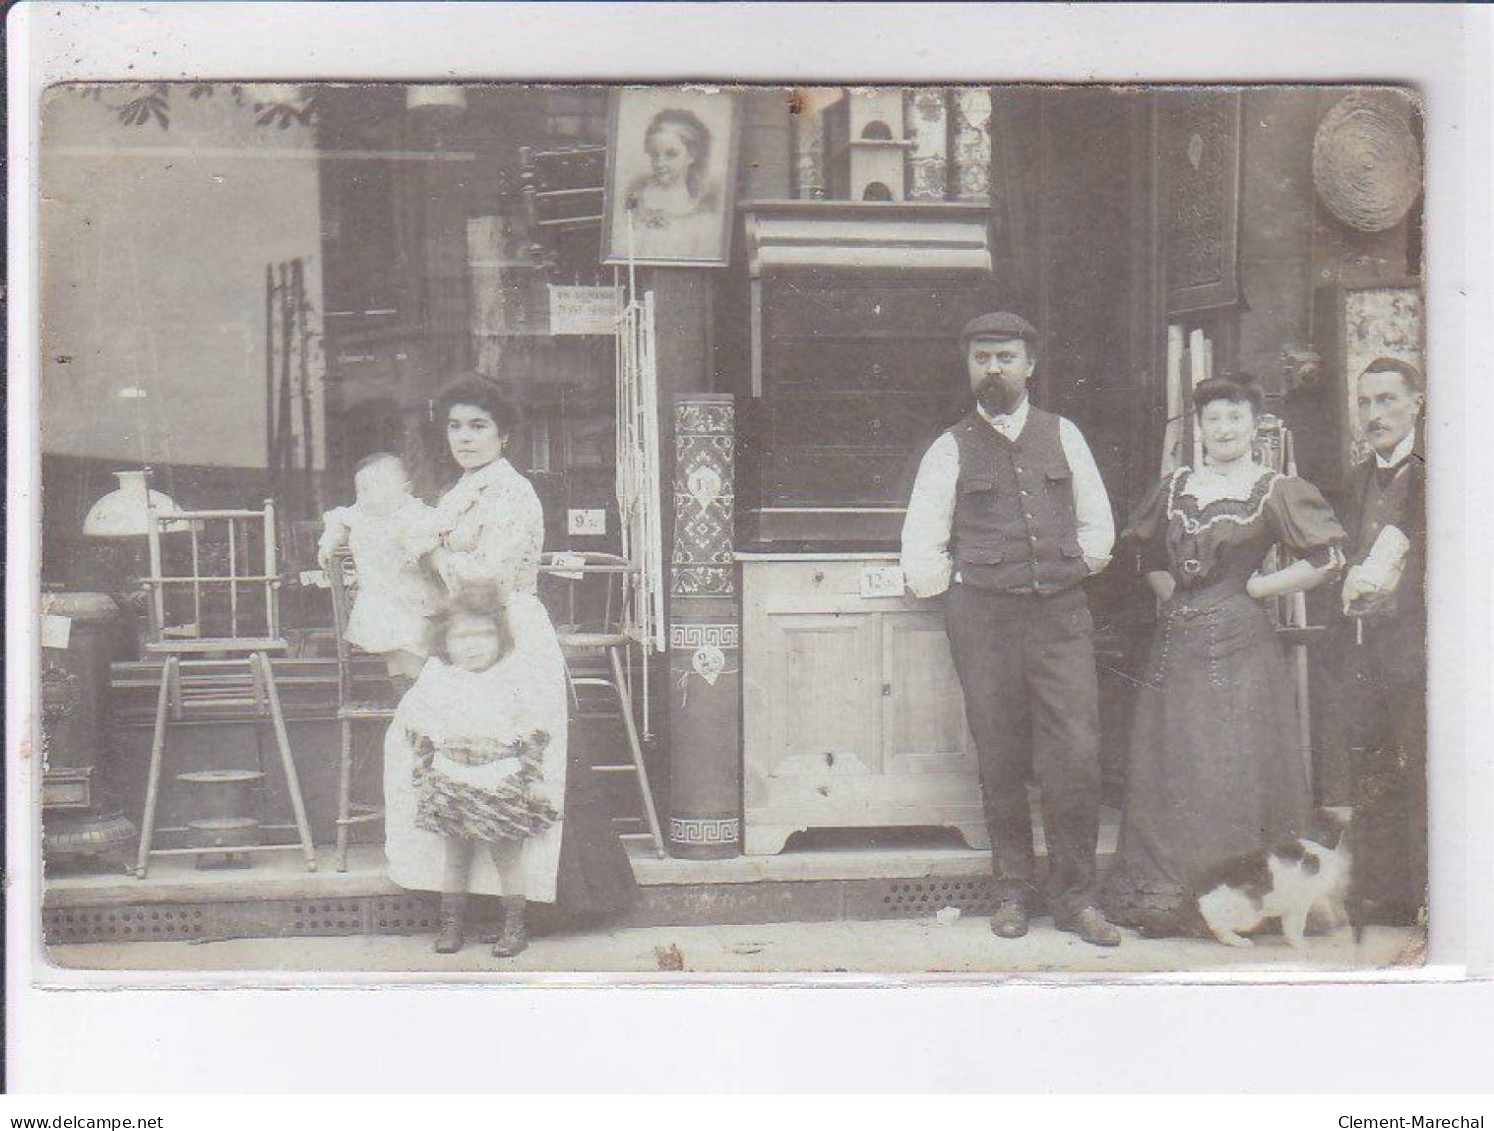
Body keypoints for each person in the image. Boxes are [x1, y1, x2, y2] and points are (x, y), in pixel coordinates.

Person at [382, 375, 636, 957]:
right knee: (438, 749)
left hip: (506, 631)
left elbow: (484, 580)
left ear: (505, 434)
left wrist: (431, 548)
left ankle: (534, 904)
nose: (464, 437)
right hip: (467, 634)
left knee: (513, 756)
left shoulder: (510, 492)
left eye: (478, 427)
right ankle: (458, 899)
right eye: (455, 426)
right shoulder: (465, 487)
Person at [901, 311, 1121, 947]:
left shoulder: (1064, 435)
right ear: (968, 367)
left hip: (1059, 615)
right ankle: (1012, 891)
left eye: (1004, 357)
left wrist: (1068, 570)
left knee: (1075, 756)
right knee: (999, 755)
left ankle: (1076, 897)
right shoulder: (950, 448)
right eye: (981, 359)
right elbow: (922, 545)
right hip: (985, 621)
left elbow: (1098, 525)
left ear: (1030, 365)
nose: (992, 369)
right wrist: (969, 594)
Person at [1102, 376, 1347, 937]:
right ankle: (1172, 897)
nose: (1225, 428)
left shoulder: (1274, 488)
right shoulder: (1176, 487)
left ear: (1254, 426)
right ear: (1200, 428)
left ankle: (1244, 899)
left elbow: (1327, 558)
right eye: (1214, 419)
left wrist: (1258, 591)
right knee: (1174, 763)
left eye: (1235, 417)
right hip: (1176, 648)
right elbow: (1142, 556)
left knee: (1234, 765)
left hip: (1241, 649)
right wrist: (1173, 598)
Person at [1340, 357, 1427, 927]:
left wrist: (1396, 599)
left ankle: (1432, 891)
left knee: (1427, 762)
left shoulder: (1440, 470)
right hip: (1369, 652)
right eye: (1366, 403)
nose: (1376, 414)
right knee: (1378, 765)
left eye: (1388, 400)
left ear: (1417, 402)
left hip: (1425, 649)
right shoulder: (1356, 479)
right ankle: (1391, 889)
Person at [318, 452, 442, 686]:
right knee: (393, 655)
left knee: (414, 650)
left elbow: (430, 534)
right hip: (379, 602)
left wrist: (419, 547)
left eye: (377, 486)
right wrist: (328, 543)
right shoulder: (360, 516)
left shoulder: (412, 513)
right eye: (361, 489)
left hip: (413, 599)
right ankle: (402, 696)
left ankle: (418, 700)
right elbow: (336, 520)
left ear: (405, 489)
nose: (368, 495)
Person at [622, 108, 721, 259]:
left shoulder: (702, 215)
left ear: (691, 155)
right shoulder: (633, 201)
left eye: (671, 154)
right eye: (655, 155)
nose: (660, 163)